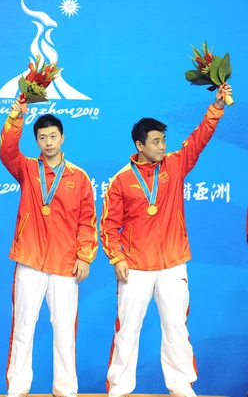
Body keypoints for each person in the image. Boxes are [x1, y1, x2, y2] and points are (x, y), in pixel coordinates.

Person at [100, 84, 233, 397]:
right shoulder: (122, 180)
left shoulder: (175, 165)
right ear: (139, 145)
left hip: (173, 263)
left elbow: (199, 140)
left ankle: (180, 385)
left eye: (163, 140)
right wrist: (117, 258)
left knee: (176, 327)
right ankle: (119, 387)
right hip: (135, 267)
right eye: (156, 141)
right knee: (128, 329)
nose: (162, 146)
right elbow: (108, 225)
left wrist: (215, 108)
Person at [0, 101, 97, 397]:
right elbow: (5, 152)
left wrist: (84, 256)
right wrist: (16, 115)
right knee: (23, 328)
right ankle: (17, 389)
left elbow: (87, 220)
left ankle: (66, 390)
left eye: (53, 136)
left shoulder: (78, 177)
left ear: (62, 137)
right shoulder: (28, 168)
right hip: (29, 260)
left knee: (65, 331)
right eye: (42, 137)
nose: (49, 142)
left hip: (66, 264)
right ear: (36, 140)